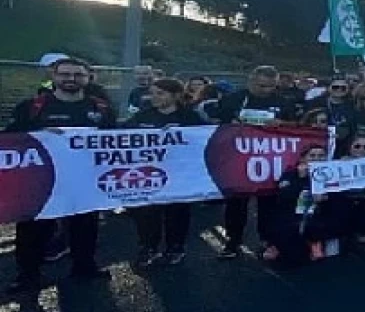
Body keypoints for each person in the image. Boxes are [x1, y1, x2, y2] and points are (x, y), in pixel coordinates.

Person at [5, 57, 116, 293]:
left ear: (88, 78)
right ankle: (27, 275)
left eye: (78, 75)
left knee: (85, 226)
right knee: (33, 229)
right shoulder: (32, 107)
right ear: (53, 76)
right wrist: (38, 133)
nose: (71, 79)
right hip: (41, 181)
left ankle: (84, 267)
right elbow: (10, 138)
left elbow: (117, 139)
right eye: (65, 74)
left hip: (85, 179)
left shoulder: (101, 108)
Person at [216, 66, 297, 260]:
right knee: (236, 203)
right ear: (250, 81)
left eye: (271, 86)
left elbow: (296, 126)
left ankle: (266, 238)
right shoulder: (233, 99)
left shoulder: (283, 102)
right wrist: (232, 125)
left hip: (269, 159)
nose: (266, 90)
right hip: (238, 159)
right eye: (261, 85)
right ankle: (233, 240)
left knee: (268, 202)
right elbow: (215, 123)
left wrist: (281, 124)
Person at [125, 78, 205, 267]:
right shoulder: (143, 116)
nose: (154, 98)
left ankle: (175, 247)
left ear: (176, 96)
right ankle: (148, 247)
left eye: (160, 93)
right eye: (152, 93)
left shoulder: (190, 117)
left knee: (177, 212)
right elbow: (120, 136)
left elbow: (206, 138)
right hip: (148, 173)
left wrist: (181, 134)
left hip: (180, 174)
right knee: (146, 212)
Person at [262, 144, 333, 265]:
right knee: (292, 258)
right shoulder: (290, 173)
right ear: (303, 158)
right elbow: (283, 196)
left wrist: (326, 197)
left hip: (317, 216)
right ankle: (276, 245)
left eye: (321, 156)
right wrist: (300, 179)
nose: (317, 158)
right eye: (312, 155)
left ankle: (315, 242)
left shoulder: (330, 174)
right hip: (291, 217)